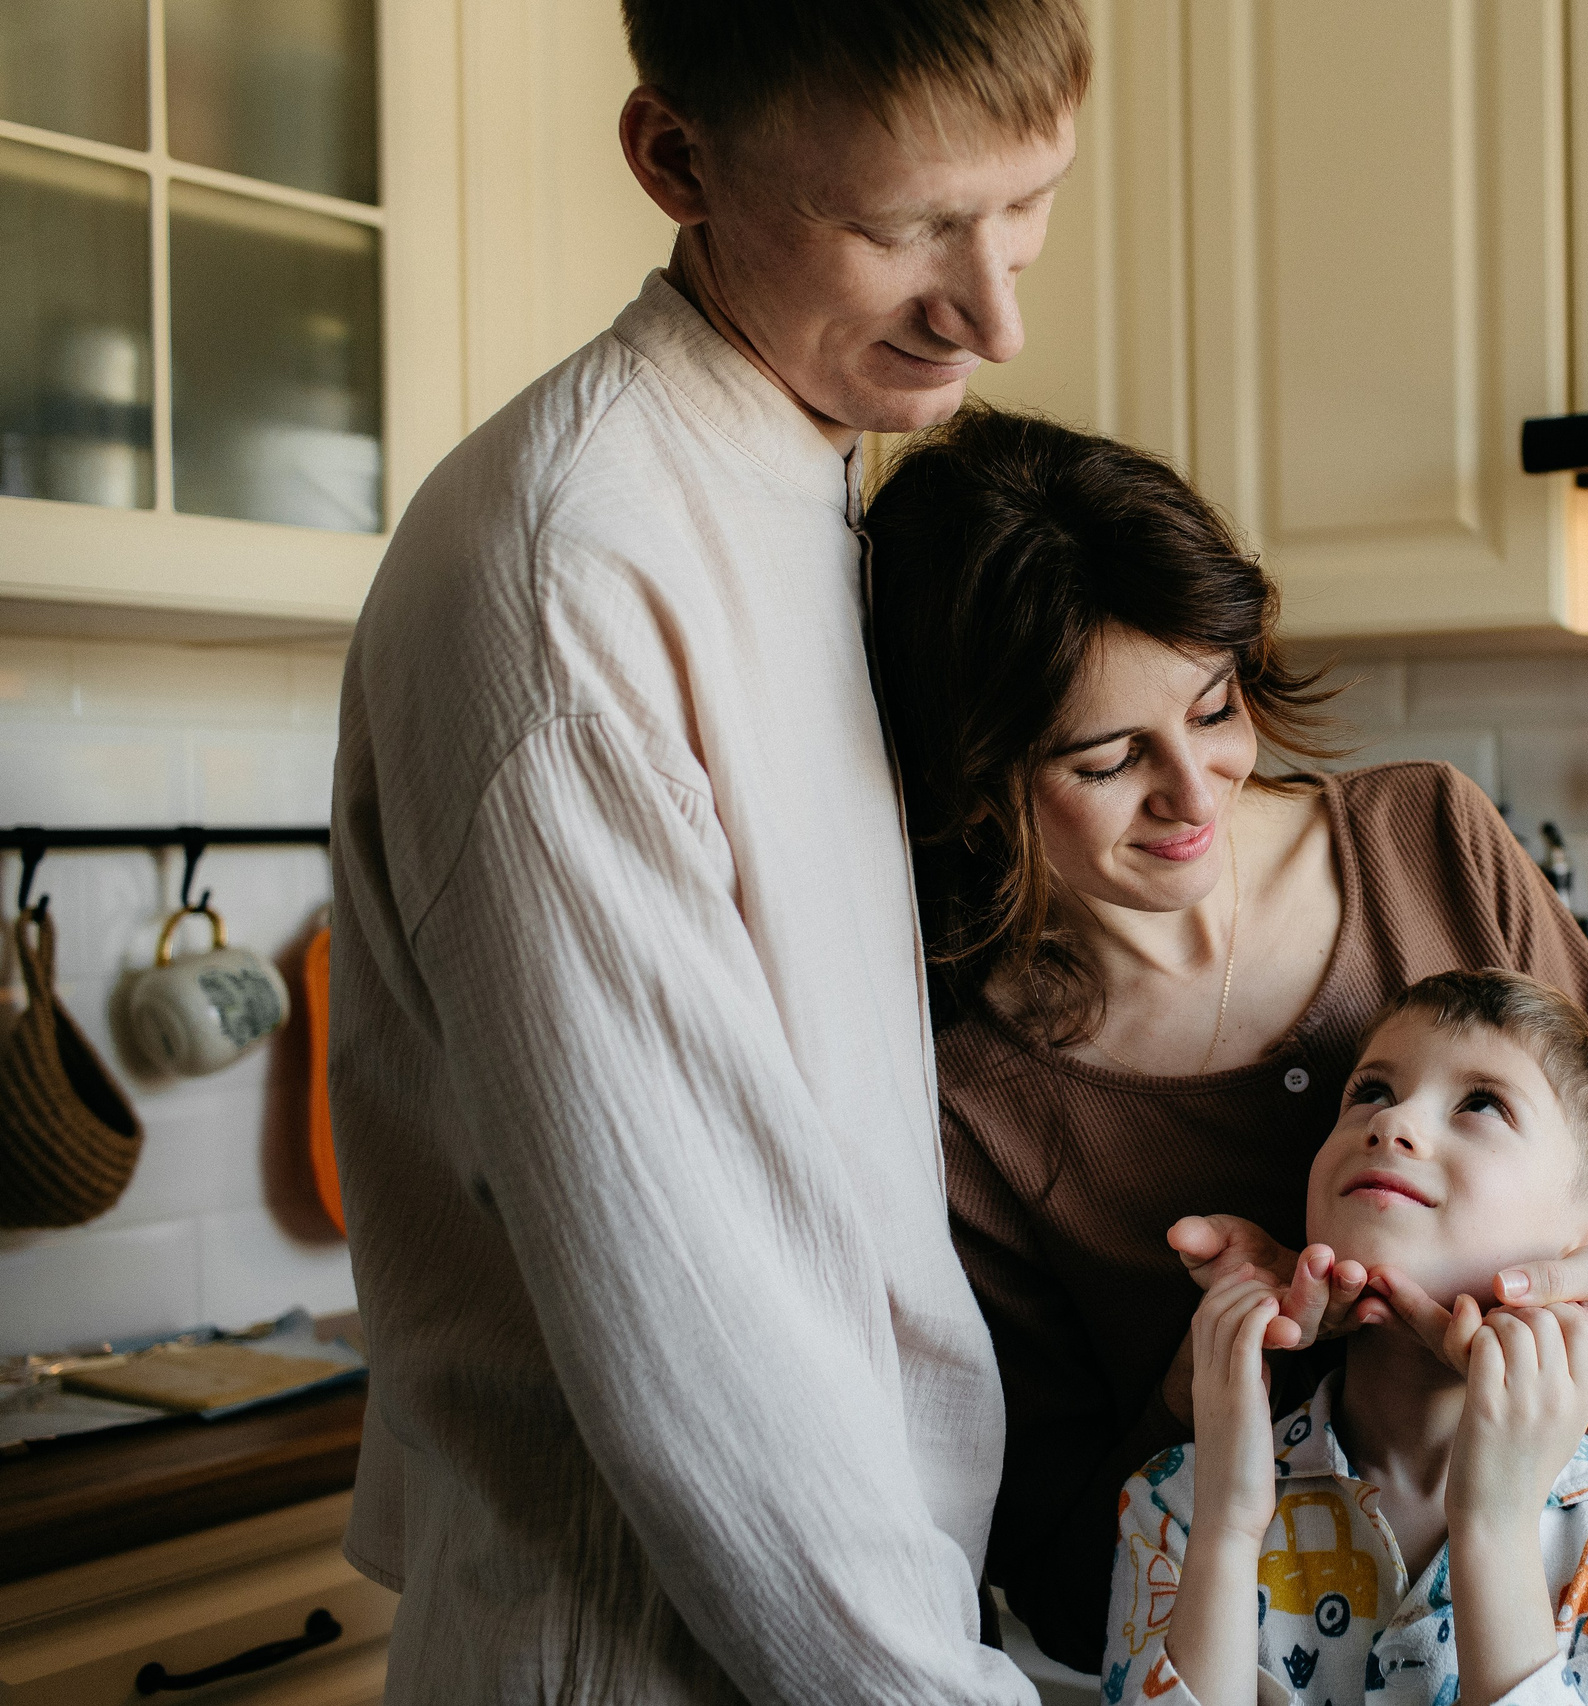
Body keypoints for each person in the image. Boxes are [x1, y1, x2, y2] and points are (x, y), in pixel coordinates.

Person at [327, 5, 1085, 1700]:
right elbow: (708, 1331)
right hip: (663, 1648)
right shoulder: (574, 568)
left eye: (1027, 205)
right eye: (904, 227)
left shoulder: (799, 479)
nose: (995, 316)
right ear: (678, 160)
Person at [863, 406, 1588, 1672]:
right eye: (1107, 760)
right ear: (968, 781)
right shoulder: (972, 1096)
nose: (1193, 789)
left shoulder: (1429, 841)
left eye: (1213, 707)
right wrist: (1209, 1377)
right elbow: (1060, 1567)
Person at [1112, 970, 1588, 1706]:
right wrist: (1226, 1528)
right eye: (1371, 1091)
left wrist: (1495, 1531)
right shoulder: (1179, 1505)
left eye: (1482, 1104)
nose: (1392, 1122)